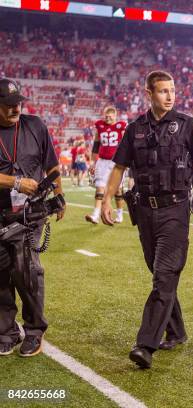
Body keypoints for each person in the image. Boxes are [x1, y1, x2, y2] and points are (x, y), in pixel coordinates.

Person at [100, 71, 193, 369]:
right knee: (160, 274)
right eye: (163, 91)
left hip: (175, 211)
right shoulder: (135, 128)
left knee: (164, 276)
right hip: (145, 212)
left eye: (172, 90)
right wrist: (108, 199)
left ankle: (145, 344)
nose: (170, 95)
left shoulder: (187, 125)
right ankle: (176, 331)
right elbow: (119, 167)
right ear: (148, 93)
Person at [0, 78, 64, 357]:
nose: (16, 109)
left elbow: (51, 165)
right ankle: (6, 332)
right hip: (1, 212)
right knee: (1, 274)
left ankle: (35, 330)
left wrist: (58, 197)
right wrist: (15, 182)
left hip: (30, 212)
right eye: (8, 105)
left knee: (26, 270)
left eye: (18, 104)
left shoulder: (35, 125)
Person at [85, 106, 127, 224]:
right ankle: (95, 215)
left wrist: (126, 160)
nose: (107, 118)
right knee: (100, 188)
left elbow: (126, 144)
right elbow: (96, 145)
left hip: (116, 162)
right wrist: (93, 162)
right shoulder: (100, 126)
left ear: (115, 116)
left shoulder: (120, 127)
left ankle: (119, 213)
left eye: (110, 116)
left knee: (118, 190)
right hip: (102, 162)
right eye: (106, 116)